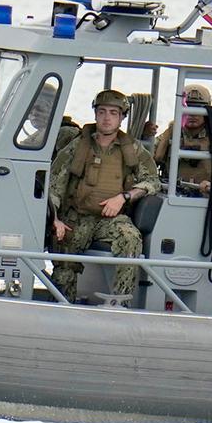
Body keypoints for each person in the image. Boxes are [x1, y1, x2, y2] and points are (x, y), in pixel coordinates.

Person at [47, 89, 161, 303]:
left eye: (113, 113)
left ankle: (120, 303)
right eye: (102, 112)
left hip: (110, 219)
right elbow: (54, 185)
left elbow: (152, 182)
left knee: (130, 239)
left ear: (122, 117)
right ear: (95, 114)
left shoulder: (132, 150)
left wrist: (124, 197)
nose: (107, 118)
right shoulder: (77, 146)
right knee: (64, 261)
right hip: (77, 217)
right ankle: (62, 306)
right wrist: (55, 219)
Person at [152, 84, 212, 198]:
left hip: (207, 201)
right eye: (188, 107)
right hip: (172, 197)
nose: (192, 113)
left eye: (198, 108)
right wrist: (146, 135)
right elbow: (147, 162)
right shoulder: (168, 137)